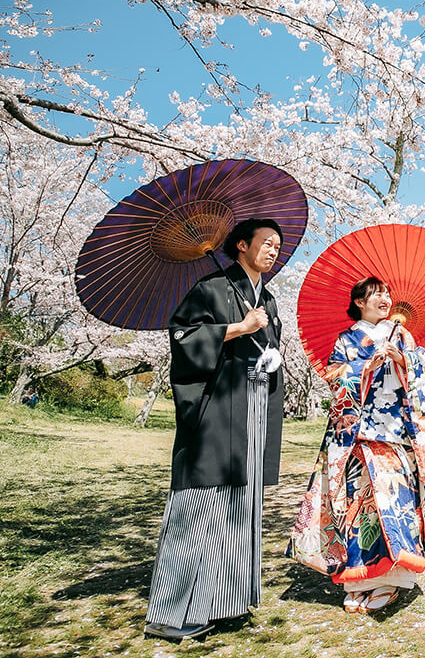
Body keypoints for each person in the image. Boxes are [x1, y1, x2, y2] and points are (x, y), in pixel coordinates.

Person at [143, 218, 285, 641]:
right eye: (266, 243)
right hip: (217, 406)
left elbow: (269, 343)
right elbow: (183, 337)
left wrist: (272, 357)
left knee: (243, 499)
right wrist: (238, 328)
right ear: (242, 245)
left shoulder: (269, 299)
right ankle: (172, 612)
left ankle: (225, 600)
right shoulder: (210, 288)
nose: (273, 250)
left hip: (253, 407)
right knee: (203, 500)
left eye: (278, 245)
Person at [287, 276, 425, 614]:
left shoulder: (404, 336)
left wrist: (403, 359)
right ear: (358, 302)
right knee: (357, 506)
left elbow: (423, 367)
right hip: (358, 434)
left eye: (386, 294)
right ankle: (359, 580)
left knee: (392, 503)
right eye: (375, 294)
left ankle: (392, 579)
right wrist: (365, 365)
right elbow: (335, 377)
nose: (384, 299)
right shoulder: (347, 339)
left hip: (396, 431)